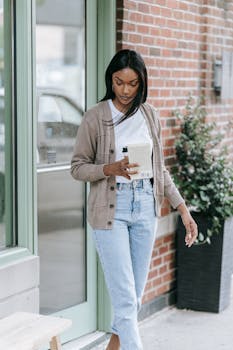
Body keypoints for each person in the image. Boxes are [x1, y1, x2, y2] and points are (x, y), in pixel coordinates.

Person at [71, 49, 198, 350]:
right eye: (119, 82)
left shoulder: (150, 115)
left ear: (142, 83)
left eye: (132, 84)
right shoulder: (96, 117)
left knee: (133, 297)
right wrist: (109, 169)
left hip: (145, 207)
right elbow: (77, 168)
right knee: (126, 298)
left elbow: (160, 170)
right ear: (110, 80)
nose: (125, 91)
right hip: (110, 211)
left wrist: (183, 209)